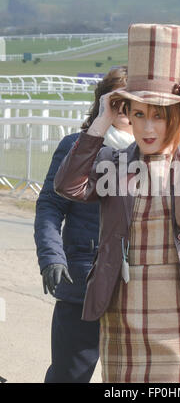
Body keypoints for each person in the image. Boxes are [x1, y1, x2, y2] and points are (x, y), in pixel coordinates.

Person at [53, 22, 180, 383]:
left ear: (175, 116)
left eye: (159, 116)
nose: (148, 128)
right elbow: (70, 187)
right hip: (125, 316)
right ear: (127, 115)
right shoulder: (115, 165)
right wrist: (100, 123)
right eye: (138, 114)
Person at [34, 67, 134, 383]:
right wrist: (52, 257)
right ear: (104, 102)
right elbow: (50, 205)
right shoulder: (76, 146)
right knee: (70, 376)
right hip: (83, 280)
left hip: (137, 287)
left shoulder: (153, 151)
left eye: (135, 103)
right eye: (119, 103)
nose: (127, 112)